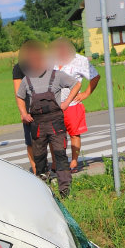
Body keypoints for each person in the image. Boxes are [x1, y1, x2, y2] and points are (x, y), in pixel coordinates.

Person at [16, 41, 81, 198]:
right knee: (39, 159)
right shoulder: (27, 80)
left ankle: (65, 192)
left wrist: (67, 102)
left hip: (55, 122)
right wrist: (24, 113)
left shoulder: (57, 75)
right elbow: (19, 96)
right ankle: (44, 193)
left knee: (60, 156)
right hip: (37, 124)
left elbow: (76, 84)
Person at [52, 37, 100, 172]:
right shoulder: (52, 60)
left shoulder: (79, 60)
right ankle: (57, 163)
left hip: (72, 104)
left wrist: (85, 93)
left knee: (74, 134)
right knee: (56, 136)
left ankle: (74, 162)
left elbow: (95, 76)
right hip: (55, 105)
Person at [13, 42, 36, 173]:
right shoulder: (19, 68)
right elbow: (18, 92)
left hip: (44, 108)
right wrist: (23, 112)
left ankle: (52, 167)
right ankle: (36, 169)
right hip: (29, 109)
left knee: (48, 140)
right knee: (31, 142)